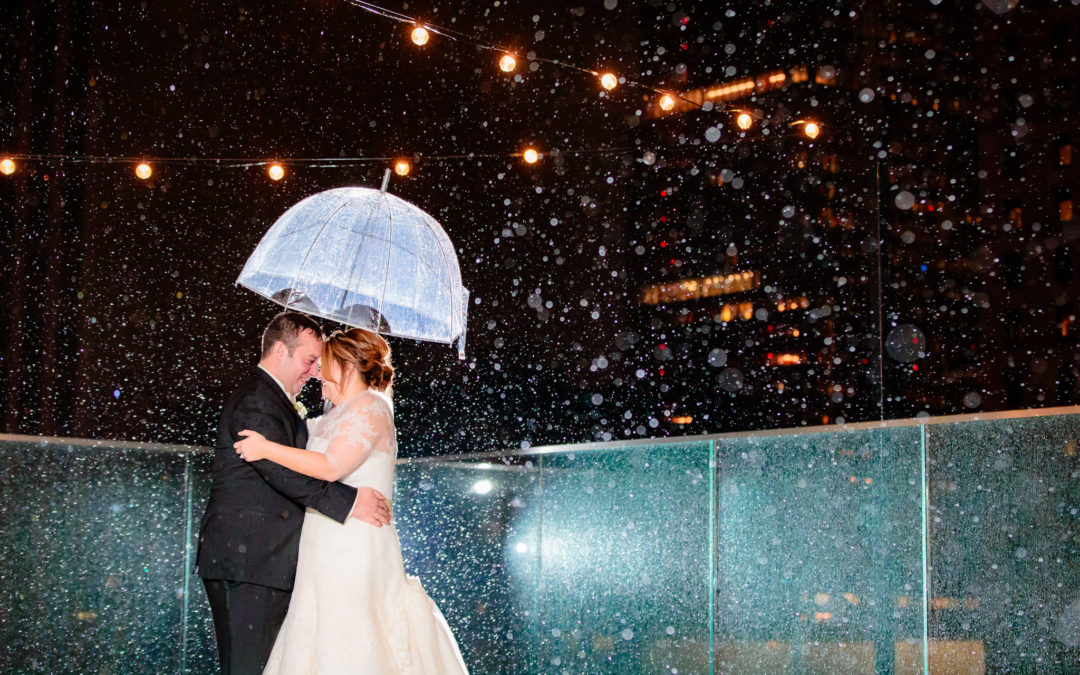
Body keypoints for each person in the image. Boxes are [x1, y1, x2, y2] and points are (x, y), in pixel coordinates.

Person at [234, 327, 469, 674]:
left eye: (324, 364)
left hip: (353, 546)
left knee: (349, 636)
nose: (317, 374)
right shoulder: (334, 414)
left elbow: (330, 467)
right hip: (322, 544)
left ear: (345, 366)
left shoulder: (372, 407)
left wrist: (266, 448)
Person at [196, 312, 392, 675]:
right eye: (309, 360)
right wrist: (349, 502)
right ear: (280, 351)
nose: (315, 371)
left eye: (320, 363)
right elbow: (280, 472)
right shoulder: (257, 400)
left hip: (269, 560)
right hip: (252, 559)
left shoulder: (280, 401)